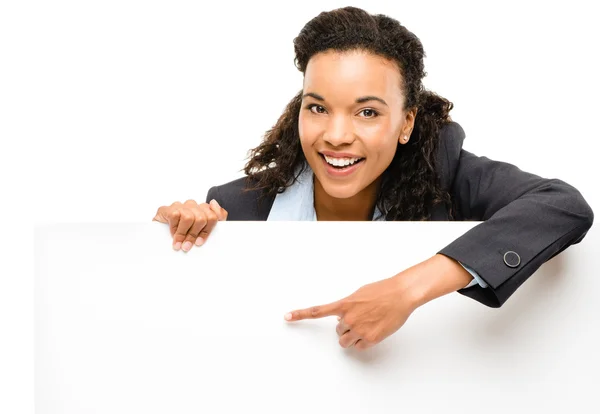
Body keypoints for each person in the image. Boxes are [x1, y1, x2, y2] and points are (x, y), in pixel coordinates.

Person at [152, 7, 594, 351]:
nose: (337, 136)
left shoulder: (449, 172)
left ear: (406, 123)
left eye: (367, 112)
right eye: (318, 107)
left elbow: (561, 204)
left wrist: (406, 289)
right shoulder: (239, 206)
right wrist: (180, 238)